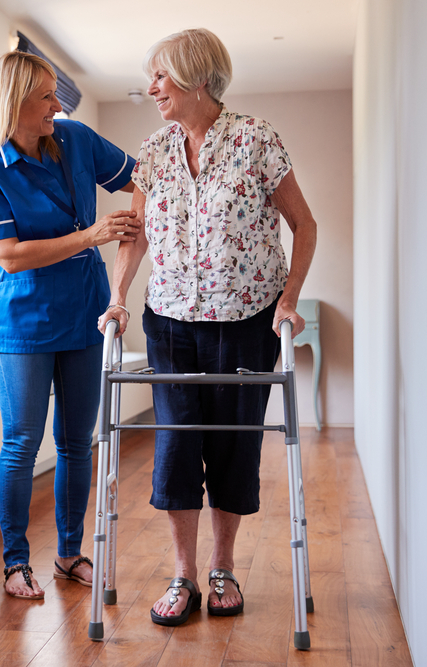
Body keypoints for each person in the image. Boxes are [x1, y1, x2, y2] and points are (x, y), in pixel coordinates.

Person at [98, 28, 317, 625]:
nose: (152, 89)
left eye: (160, 77)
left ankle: (222, 570)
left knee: (233, 442)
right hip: (170, 321)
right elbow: (137, 234)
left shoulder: (257, 141)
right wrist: (118, 296)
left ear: (196, 78)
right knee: (175, 443)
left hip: (246, 320)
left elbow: (304, 224)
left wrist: (289, 300)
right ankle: (184, 577)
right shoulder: (156, 151)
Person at [0, 51, 141, 600]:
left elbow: (146, 176)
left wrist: (132, 255)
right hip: (25, 321)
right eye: (45, 95)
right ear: (14, 102)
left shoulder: (76, 139)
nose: (56, 103)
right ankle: (15, 562)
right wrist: (92, 236)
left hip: (87, 311)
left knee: (75, 442)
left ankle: (69, 554)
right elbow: (10, 255)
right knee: (21, 442)